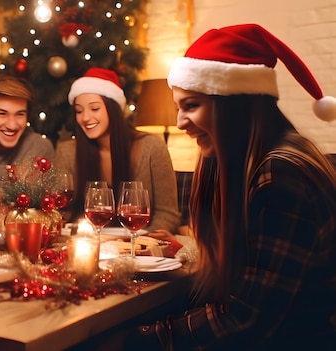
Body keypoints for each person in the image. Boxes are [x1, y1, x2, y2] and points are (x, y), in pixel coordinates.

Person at [133, 24, 336, 350]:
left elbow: (246, 320)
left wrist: (140, 339)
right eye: (178, 108)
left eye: (191, 105)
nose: (180, 123)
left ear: (232, 104)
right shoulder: (253, 161)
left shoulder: (281, 175)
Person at [55, 67, 181, 233]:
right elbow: (61, 213)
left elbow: (168, 214)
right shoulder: (67, 152)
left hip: (138, 246)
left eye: (94, 109)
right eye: (79, 111)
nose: (85, 118)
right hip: (87, 244)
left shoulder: (152, 148)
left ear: (112, 109)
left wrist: (136, 241)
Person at [0, 74, 55, 197]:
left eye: (19, 114)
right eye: (2, 113)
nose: (12, 125)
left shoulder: (39, 146)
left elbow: (39, 205)